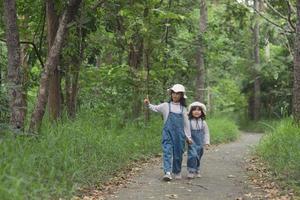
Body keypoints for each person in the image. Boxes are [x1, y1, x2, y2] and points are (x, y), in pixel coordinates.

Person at [144, 84, 192, 181]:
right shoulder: (166, 106)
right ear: (171, 94)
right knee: (167, 151)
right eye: (173, 93)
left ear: (181, 96)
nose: (175, 95)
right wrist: (148, 104)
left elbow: (186, 124)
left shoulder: (183, 109)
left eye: (178, 94)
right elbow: (155, 108)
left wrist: (188, 137)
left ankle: (177, 171)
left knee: (178, 153)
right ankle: (167, 172)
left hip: (179, 135)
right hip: (168, 133)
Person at [186, 101, 210, 179]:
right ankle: (191, 170)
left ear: (202, 112)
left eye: (199, 110)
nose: (197, 112)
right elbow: (186, 131)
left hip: (200, 143)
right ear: (190, 111)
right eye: (194, 110)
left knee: (198, 156)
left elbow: (206, 133)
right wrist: (188, 138)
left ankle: (197, 168)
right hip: (192, 142)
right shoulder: (189, 122)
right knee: (192, 155)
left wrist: (207, 142)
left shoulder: (203, 122)